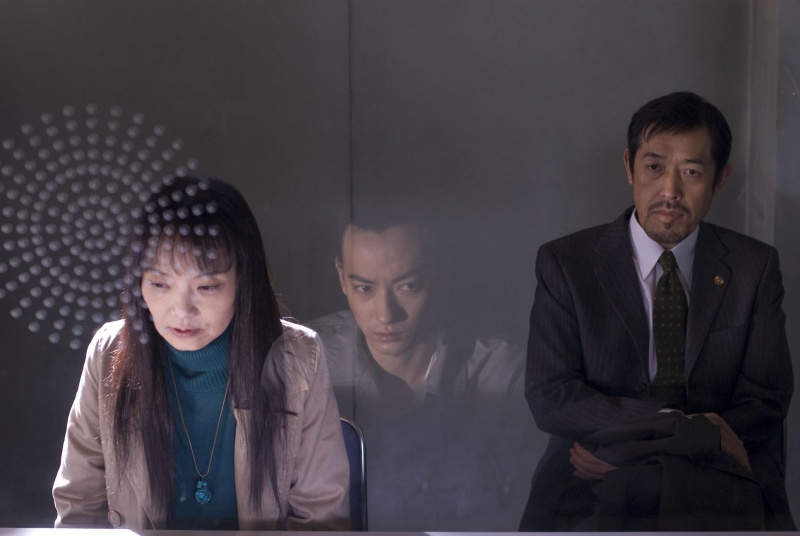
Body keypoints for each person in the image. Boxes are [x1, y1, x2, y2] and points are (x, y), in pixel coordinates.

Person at [519, 91, 794, 531]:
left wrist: (640, 455)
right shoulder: (567, 263)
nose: (670, 191)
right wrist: (680, 428)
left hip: (713, 489)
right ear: (629, 166)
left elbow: (765, 401)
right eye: (654, 167)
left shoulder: (753, 268)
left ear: (720, 178)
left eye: (691, 171)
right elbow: (551, 396)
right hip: (589, 489)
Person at [53, 176, 350, 530]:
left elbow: (321, 521)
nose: (182, 311)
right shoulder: (108, 354)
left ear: (244, 283)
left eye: (207, 286)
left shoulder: (299, 359)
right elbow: (79, 511)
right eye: (160, 284)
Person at [306, 218, 538, 531]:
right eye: (365, 288)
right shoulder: (306, 361)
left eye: (408, 286)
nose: (386, 314)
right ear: (341, 278)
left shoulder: (500, 373)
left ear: (435, 272)